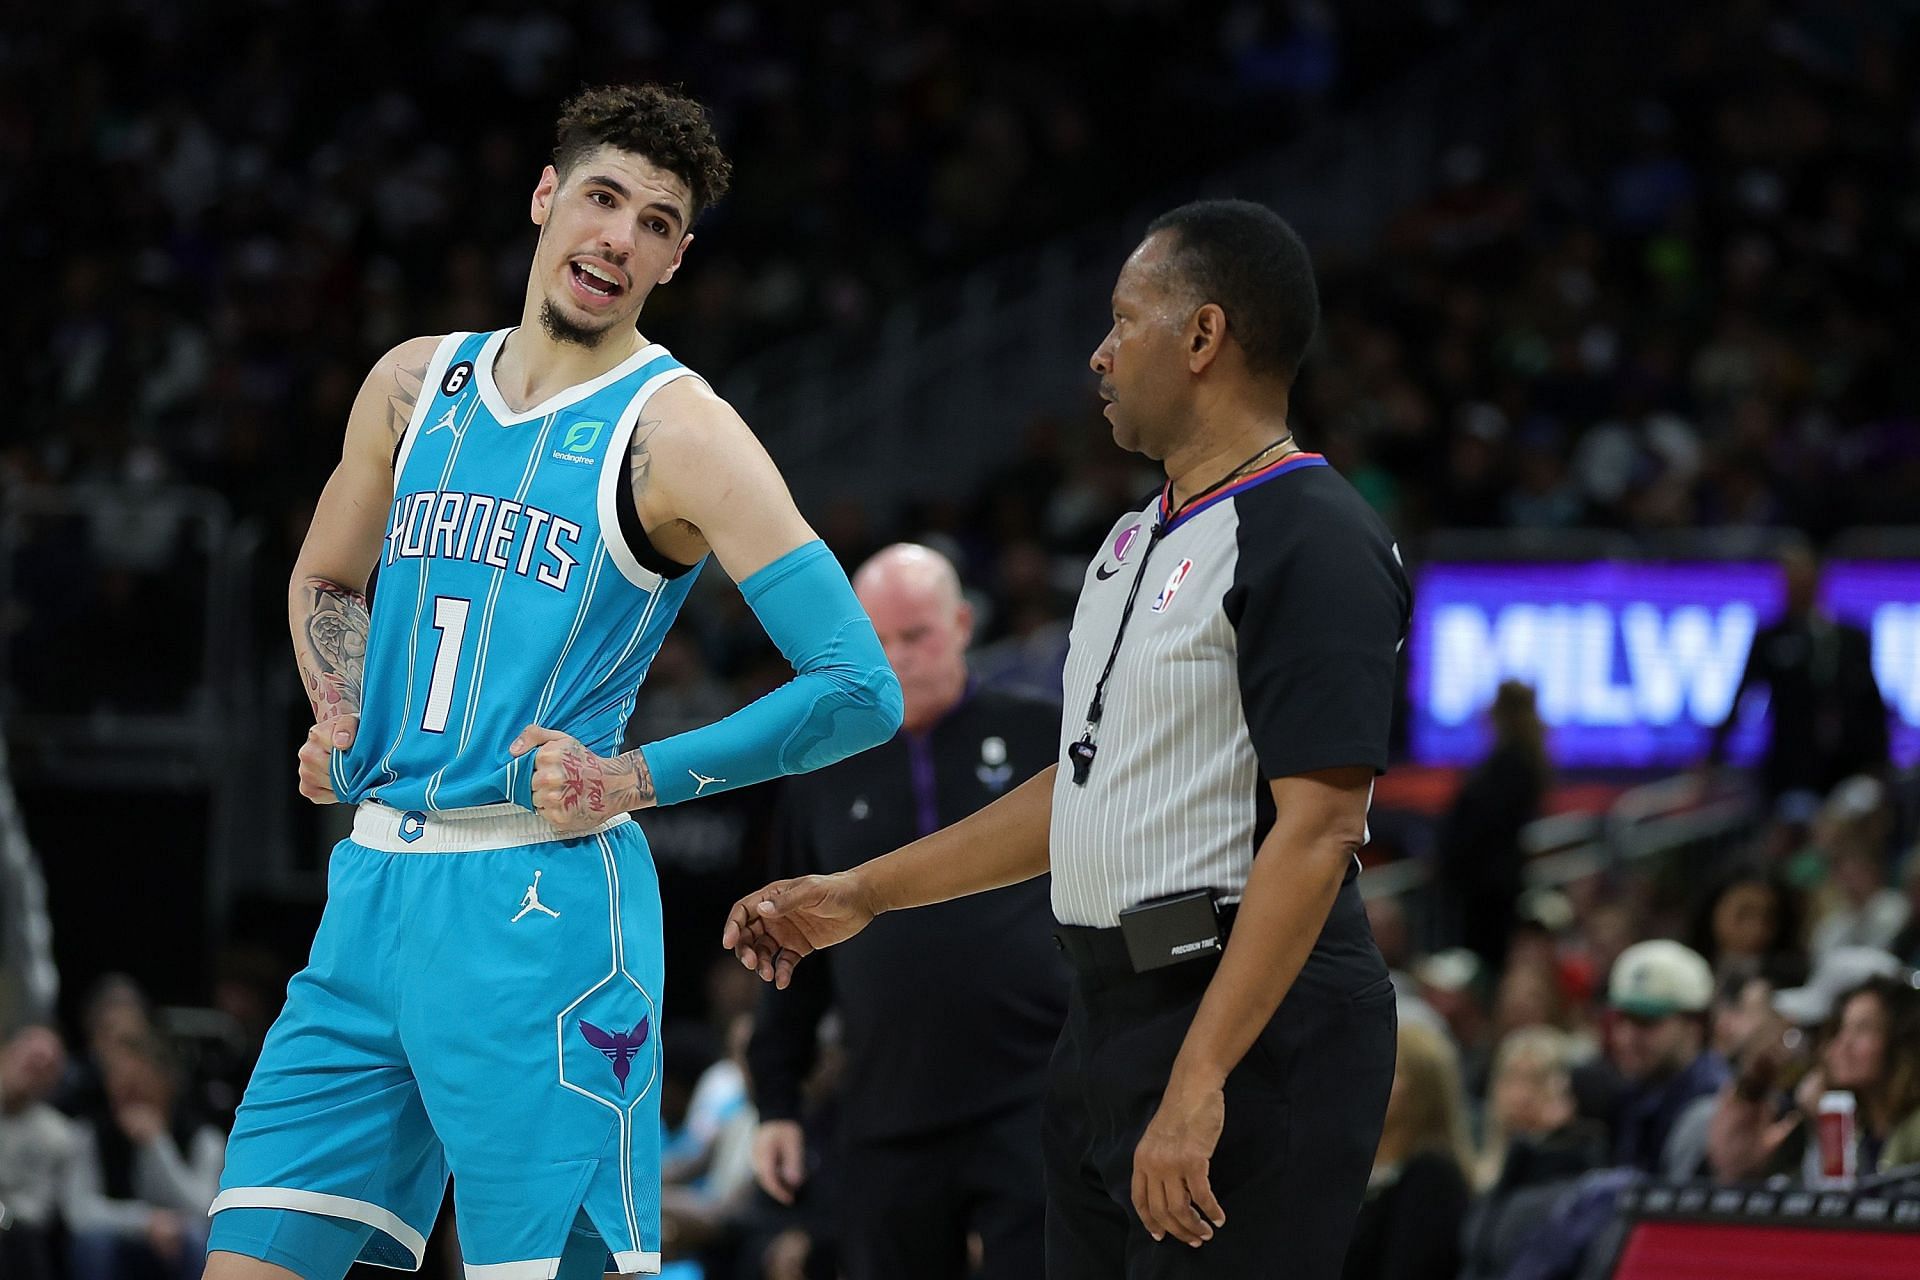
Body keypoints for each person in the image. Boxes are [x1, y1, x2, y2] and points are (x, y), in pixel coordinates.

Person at [206, 84, 902, 1280]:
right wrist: (342, 703)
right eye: (602, 197)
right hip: (372, 888)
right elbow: (327, 581)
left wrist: (633, 776)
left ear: (678, 258)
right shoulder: (410, 385)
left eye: (656, 221)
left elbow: (858, 684)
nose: (619, 237)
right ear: (544, 197)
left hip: (542, 911)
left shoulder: (679, 432)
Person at [725, 199, 1410, 1277]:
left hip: (1245, 1029)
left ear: (1202, 337)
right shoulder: (1134, 537)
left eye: (1122, 320)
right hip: (1103, 1018)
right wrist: (860, 893)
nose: (1096, 352)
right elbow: (1081, 791)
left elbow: (1321, 834)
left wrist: (1199, 1078)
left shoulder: (1313, 536)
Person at [747, 543, 1066, 1280]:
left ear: (960, 623)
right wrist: (778, 1104)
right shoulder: (819, 769)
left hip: (1040, 1091)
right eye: (877, 638)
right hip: (887, 1106)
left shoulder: (1043, 738)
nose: (896, 656)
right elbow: (788, 947)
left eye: (915, 634)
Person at [1705, 547, 1889, 809]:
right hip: (1791, 766)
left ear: (1818, 581)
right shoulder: (1770, 639)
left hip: (1847, 764)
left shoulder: (1850, 638)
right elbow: (1744, 695)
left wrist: (1879, 761)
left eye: (1804, 578)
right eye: (1790, 579)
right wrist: (1713, 755)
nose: (1797, 587)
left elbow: (1871, 701)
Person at [66, 1033, 225, 1280]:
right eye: (119, 1081)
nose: (128, 1092)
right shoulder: (90, 1132)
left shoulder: (203, 1138)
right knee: (93, 1242)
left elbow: (205, 1210)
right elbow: (80, 1211)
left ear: (167, 1082)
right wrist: (146, 1222)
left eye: (140, 1082)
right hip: (120, 1243)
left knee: (196, 1238)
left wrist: (157, 1144)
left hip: (178, 1246)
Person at [1342, 1021, 1473, 1280]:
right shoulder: (1360, 1169)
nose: (1372, 1079)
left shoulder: (1433, 1175)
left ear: (1424, 1091)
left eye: (1391, 1070)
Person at [1437, 679, 1548, 972]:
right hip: (1487, 884)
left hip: (1488, 889)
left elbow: (1485, 824)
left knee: (1483, 963)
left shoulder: (1514, 764)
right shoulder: (1520, 760)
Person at [1601, 940, 1729, 1175]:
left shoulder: (1713, 1106)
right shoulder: (1633, 1092)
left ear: (1695, 1025)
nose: (1625, 1038)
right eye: (1620, 1020)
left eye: (1646, 1022)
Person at [0, 1025, 81, 1280]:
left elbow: (39, 1209)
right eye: (29, 1060)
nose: (32, 1071)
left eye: (44, 1068)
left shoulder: (57, 1134)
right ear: (6, 1055)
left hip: (12, 1232)